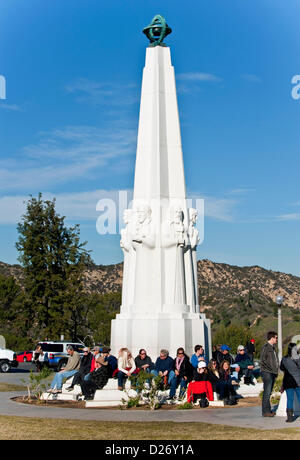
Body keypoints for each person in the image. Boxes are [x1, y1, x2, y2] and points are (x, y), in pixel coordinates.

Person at [260, 331, 279, 417]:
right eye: (276, 337)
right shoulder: (266, 347)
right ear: (272, 338)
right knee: (267, 392)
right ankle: (265, 412)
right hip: (267, 372)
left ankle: (268, 410)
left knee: (269, 392)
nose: (277, 339)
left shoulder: (273, 348)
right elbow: (262, 360)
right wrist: (271, 369)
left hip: (273, 372)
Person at [280, 342, 300, 423]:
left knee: (290, 399)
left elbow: (281, 368)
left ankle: (290, 418)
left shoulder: (284, 359)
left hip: (288, 381)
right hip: (298, 381)